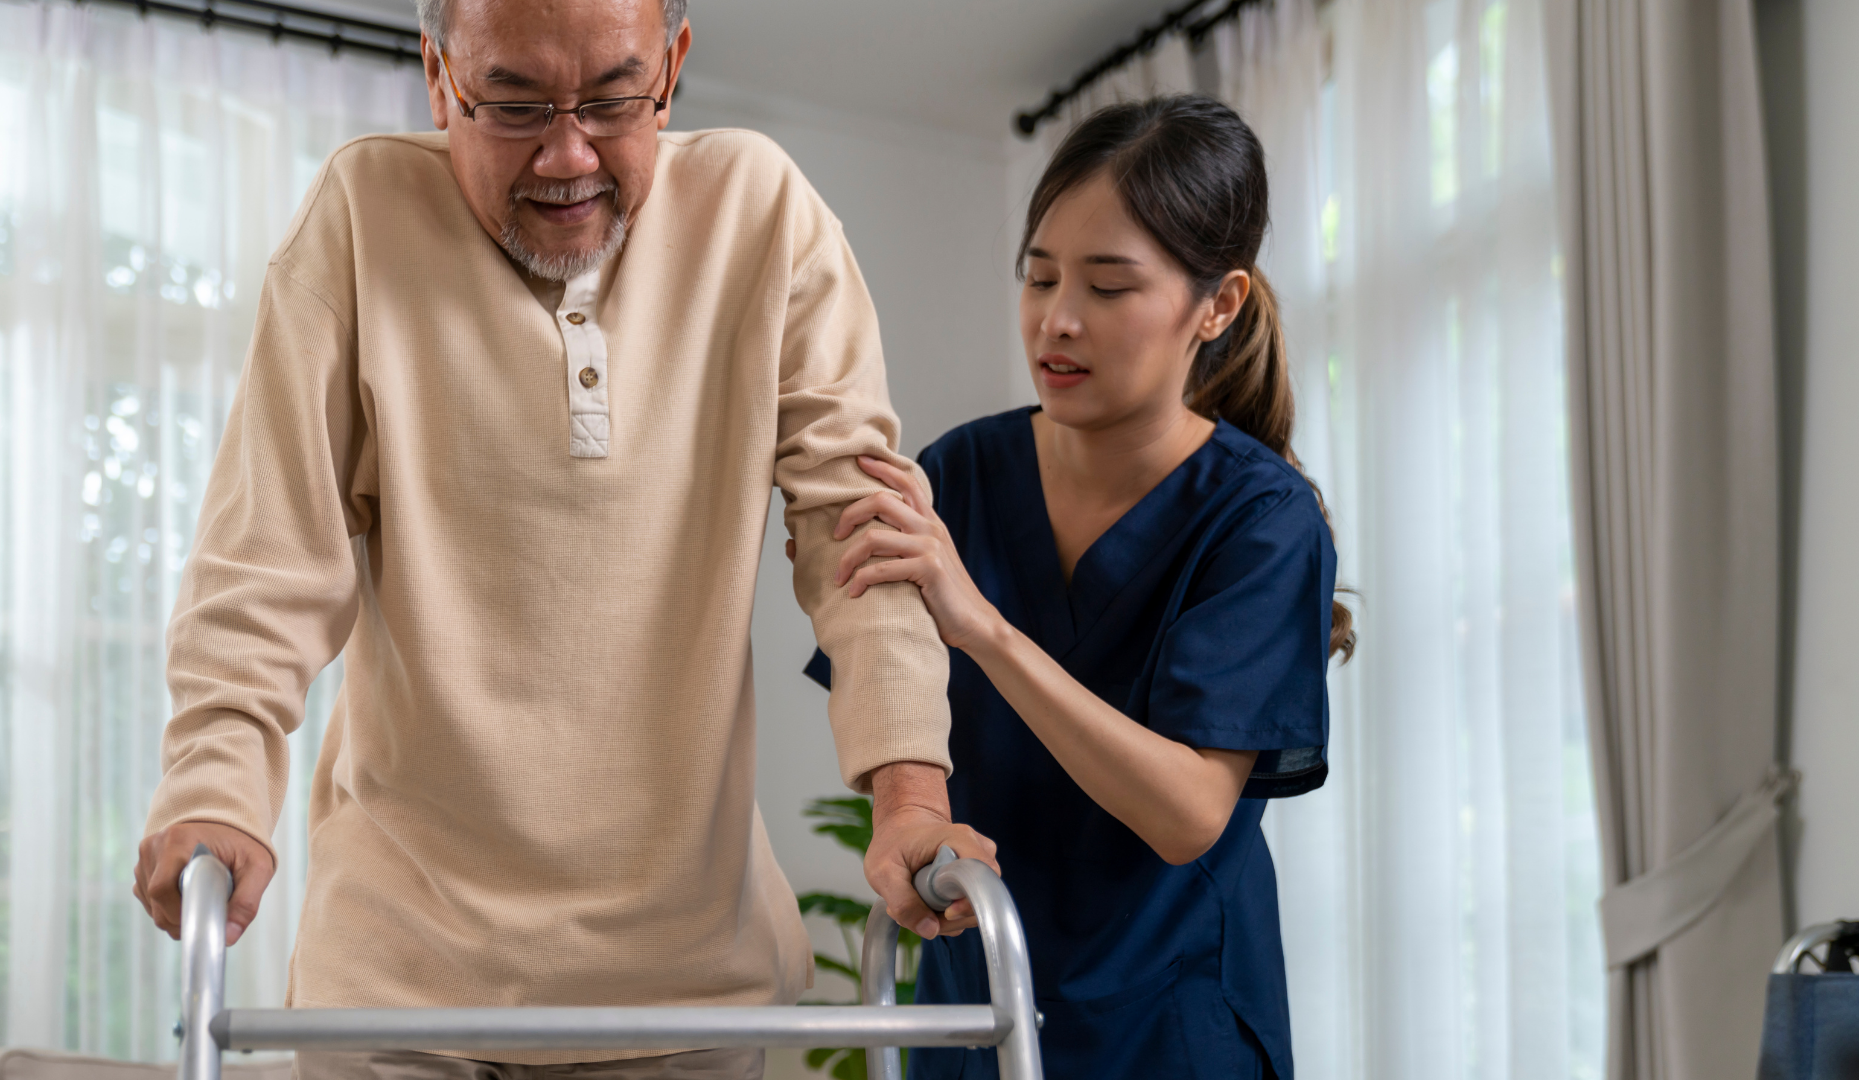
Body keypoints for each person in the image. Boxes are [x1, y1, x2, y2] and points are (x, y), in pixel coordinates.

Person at [127, 0, 994, 1077]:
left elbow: (859, 528)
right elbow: (265, 555)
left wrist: (910, 793)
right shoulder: (363, 214)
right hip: (402, 986)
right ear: (440, 79)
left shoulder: (761, 212)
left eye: (611, 99)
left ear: (672, 69)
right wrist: (216, 788)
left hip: (690, 987)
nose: (568, 153)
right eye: (515, 102)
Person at [803, 96, 1354, 1079]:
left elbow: (1189, 814)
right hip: (977, 1010)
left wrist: (987, 631)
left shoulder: (1260, 521)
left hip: (1170, 1029)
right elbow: (879, 673)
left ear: (1217, 306)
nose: (1058, 319)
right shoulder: (959, 476)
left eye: (1109, 286)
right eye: (1041, 275)